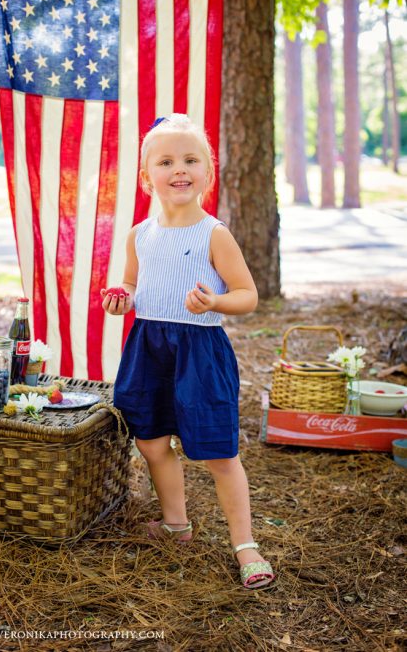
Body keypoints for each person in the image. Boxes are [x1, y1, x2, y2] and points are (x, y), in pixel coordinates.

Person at [100, 113, 275, 589]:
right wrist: (123, 298)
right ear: (145, 177)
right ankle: (176, 523)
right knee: (152, 441)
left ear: (207, 173)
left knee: (218, 452)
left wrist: (216, 300)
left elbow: (248, 295)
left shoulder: (214, 234)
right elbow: (135, 284)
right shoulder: (140, 235)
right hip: (149, 347)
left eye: (191, 159)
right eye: (166, 161)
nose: (180, 169)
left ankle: (245, 544)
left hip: (200, 351)